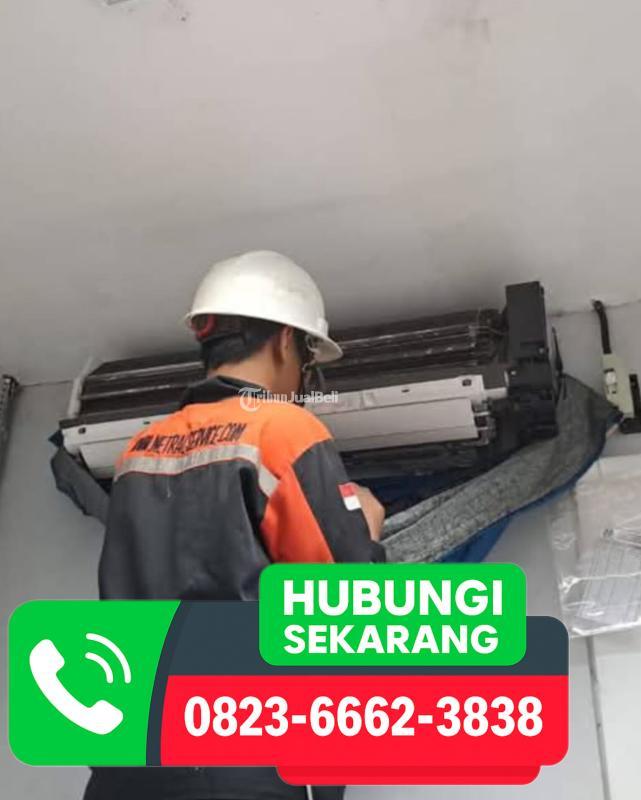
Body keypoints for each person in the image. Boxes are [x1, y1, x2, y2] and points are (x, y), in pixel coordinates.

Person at [85, 250, 385, 800]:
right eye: (308, 361)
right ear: (286, 343)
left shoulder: (139, 449)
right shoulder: (284, 428)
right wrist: (366, 533)